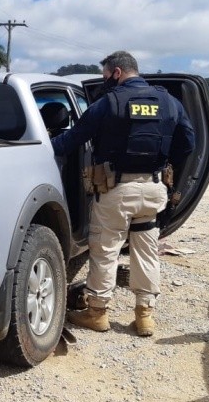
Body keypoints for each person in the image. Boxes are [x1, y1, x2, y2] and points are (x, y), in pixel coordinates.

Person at [52, 51, 195, 337]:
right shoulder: (169, 102)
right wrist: (163, 162)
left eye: (105, 75)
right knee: (146, 250)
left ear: (116, 73)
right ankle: (144, 317)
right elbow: (188, 143)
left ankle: (97, 313)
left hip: (117, 190)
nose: (105, 81)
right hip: (154, 189)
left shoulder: (109, 103)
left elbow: (71, 140)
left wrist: (44, 146)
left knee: (105, 249)